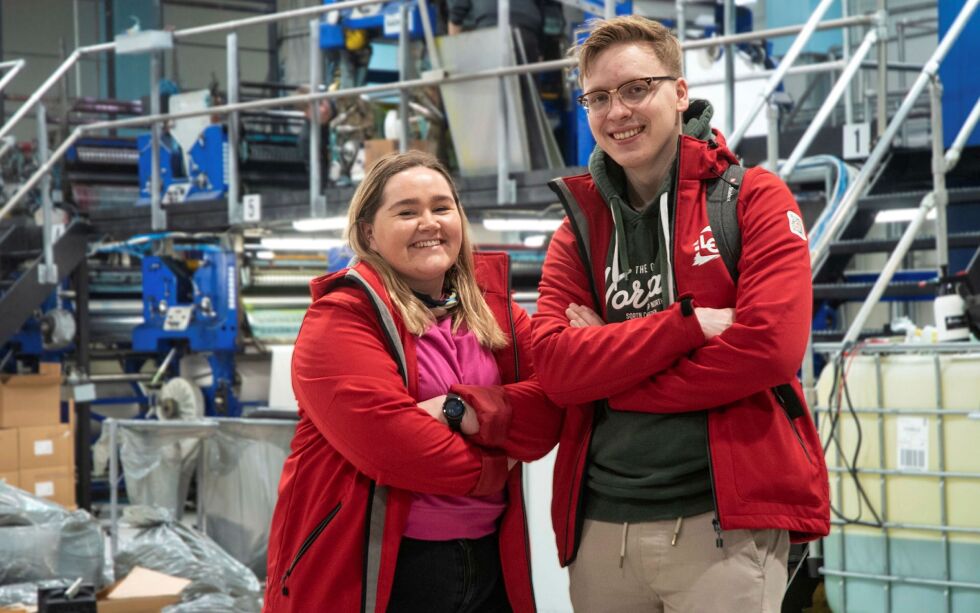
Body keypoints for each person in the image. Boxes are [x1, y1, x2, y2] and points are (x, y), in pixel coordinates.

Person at [530, 16, 830, 612]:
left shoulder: (753, 199)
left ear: (680, 92)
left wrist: (611, 377)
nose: (618, 112)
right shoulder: (580, 230)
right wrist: (684, 329)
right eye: (598, 97)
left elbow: (768, 351)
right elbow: (557, 371)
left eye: (636, 88)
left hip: (722, 526)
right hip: (599, 531)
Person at [264, 150, 562, 612]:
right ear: (369, 233)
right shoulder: (342, 319)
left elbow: (549, 410)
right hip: (382, 569)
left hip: (491, 561)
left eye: (442, 208)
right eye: (407, 212)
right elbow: (395, 446)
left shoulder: (495, 314)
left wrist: (455, 409)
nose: (429, 223)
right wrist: (495, 463)